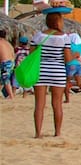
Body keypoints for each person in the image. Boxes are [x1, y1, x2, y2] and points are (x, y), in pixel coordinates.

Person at [31, 10, 76, 138]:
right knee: (57, 104)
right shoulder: (64, 37)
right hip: (58, 72)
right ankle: (57, 133)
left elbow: (32, 55)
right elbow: (67, 59)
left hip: (41, 71)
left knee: (39, 104)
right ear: (58, 21)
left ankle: (38, 133)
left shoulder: (38, 36)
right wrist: (75, 56)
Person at [62, 32, 81, 104]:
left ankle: (67, 99)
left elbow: (67, 54)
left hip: (70, 64)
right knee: (80, 83)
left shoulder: (70, 45)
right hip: (79, 65)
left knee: (66, 82)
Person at [0, 29, 14, 99]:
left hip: (5, 63)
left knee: (5, 80)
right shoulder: (8, 43)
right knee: (2, 79)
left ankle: (11, 96)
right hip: (11, 62)